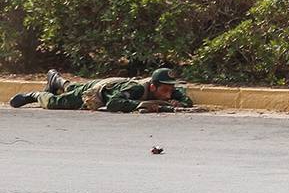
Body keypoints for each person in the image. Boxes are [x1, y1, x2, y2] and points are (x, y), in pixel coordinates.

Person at [9, 68, 193, 113]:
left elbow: (186, 101)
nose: (170, 93)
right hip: (98, 93)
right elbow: (113, 103)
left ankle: (57, 80)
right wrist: (149, 106)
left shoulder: (169, 90)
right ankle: (35, 95)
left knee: (74, 87)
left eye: (171, 89)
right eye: (166, 90)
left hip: (109, 85)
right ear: (153, 87)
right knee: (57, 103)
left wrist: (179, 103)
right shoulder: (137, 90)